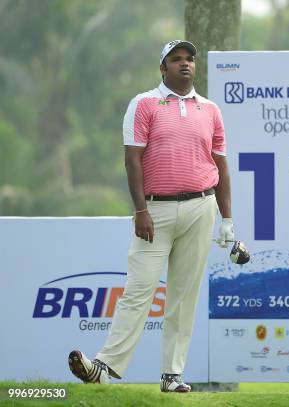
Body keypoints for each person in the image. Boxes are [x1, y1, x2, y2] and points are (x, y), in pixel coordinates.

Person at [68, 40, 234, 393]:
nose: (185, 64)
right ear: (163, 68)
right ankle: (105, 365)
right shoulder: (144, 103)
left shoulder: (211, 110)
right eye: (176, 60)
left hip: (201, 206)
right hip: (154, 210)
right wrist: (141, 209)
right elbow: (132, 160)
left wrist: (227, 220)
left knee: (183, 296)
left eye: (190, 59)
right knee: (139, 288)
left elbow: (220, 166)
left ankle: (172, 375)